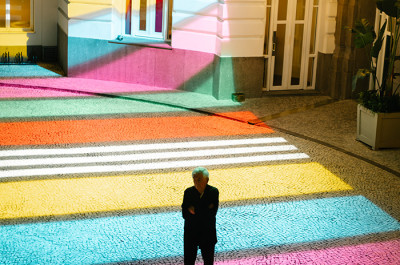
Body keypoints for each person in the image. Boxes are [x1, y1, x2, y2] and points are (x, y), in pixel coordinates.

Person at [182, 167, 219, 265]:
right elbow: (185, 214)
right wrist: (205, 208)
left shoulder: (213, 192)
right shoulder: (188, 192)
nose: (196, 181)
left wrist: (194, 210)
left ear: (206, 180)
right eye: (194, 179)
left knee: (208, 261)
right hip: (191, 234)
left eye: (198, 179)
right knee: (189, 261)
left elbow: (211, 213)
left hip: (207, 234)